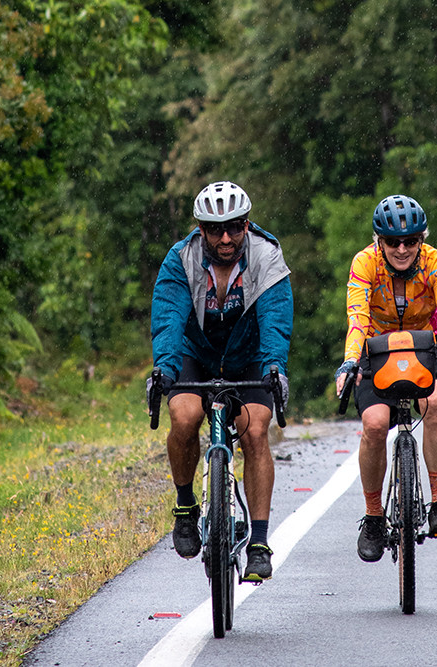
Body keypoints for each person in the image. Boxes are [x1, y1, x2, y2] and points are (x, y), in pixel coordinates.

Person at [150, 181, 293, 582]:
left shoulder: (266, 256)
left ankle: (260, 543)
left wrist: (274, 367)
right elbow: (168, 316)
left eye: (234, 227)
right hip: (196, 357)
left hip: (251, 360)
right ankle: (184, 507)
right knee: (183, 416)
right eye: (215, 229)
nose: (226, 238)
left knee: (255, 432)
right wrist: (164, 366)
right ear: (200, 229)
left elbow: (276, 318)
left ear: (247, 224)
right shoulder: (181, 258)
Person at [334, 194, 437, 563]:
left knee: (434, 402)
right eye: (392, 242)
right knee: (376, 423)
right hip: (376, 349)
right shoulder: (365, 263)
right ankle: (374, 516)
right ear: (378, 240)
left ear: (421, 239)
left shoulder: (436, 262)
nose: (401, 249)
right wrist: (350, 362)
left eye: (411, 241)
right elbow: (357, 317)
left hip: (427, 346)